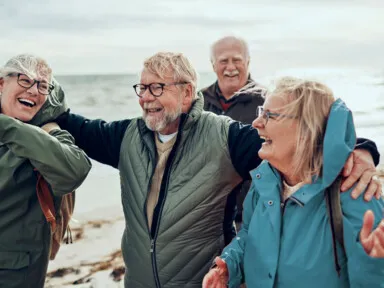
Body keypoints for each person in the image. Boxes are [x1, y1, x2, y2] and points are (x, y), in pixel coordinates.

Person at [52, 52, 381, 288]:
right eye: (142, 88)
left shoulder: (225, 138)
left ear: (186, 94)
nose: (145, 98)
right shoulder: (126, 135)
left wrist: (360, 149)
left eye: (157, 87)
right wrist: (38, 110)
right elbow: (82, 129)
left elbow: (308, 134)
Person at [203, 78, 384, 288]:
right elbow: (249, 236)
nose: (257, 123)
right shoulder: (264, 182)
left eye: (269, 115)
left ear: (305, 128)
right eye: (261, 112)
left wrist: (374, 264)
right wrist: (229, 267)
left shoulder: (356, 191)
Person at [0, 54, 91, 288]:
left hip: (15, 272)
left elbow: (74, 170)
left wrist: (7, 126)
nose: (33, 90)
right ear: (1, 83)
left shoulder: (51, 133)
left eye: (42, 85)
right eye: (24, 80)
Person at [201, 36, 265, 241]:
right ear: (213, 65)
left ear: (247, 62)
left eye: (237, 60)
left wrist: (363, 147)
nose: (231, 67)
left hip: (254, 213)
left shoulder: (268, 102)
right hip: (207, 215)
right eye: (223, 61)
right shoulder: (196, 103)